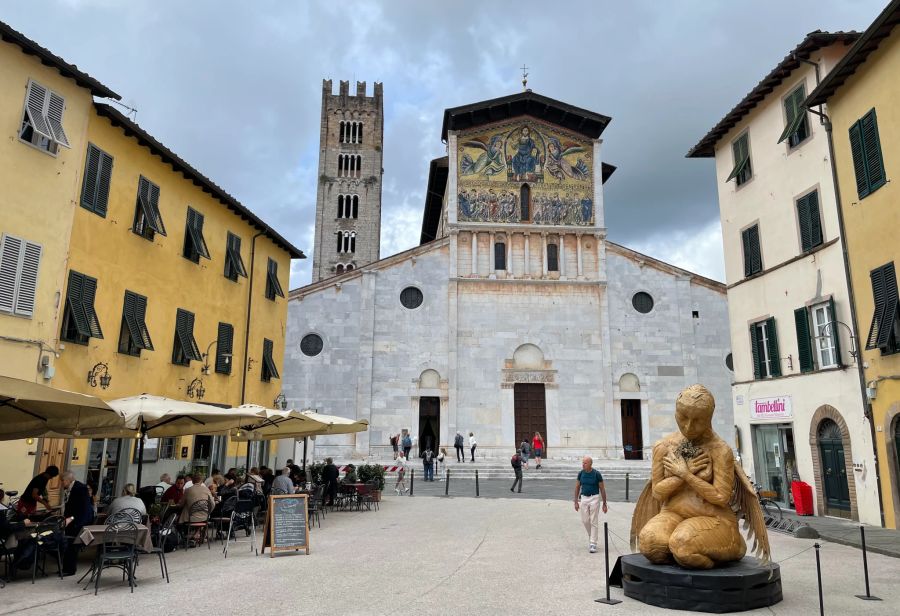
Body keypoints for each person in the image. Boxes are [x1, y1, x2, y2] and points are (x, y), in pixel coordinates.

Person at [60, 470, 94, 576]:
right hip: (73, 520)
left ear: (67, 480)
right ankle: (66, 568)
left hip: (78, 521)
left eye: (62, 481)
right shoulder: (74, 488)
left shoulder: (80, 489)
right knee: (68, 544)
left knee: (71, 545)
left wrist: (71, 518)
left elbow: (82, 509)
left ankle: (69, 569)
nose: (61, 483)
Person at [574, 456, 608, 553]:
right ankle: (592, 535)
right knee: (585, 520)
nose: (583, 464)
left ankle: (593, 543)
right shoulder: (581, 474)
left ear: (590, 464)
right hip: (584, 498)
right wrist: (576, 501)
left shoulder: (597, 474)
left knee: (593, 520)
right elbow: (577, 487)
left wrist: (604, 503)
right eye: (582, 463)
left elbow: (602, 489)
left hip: (594, 498)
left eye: (585, 463)